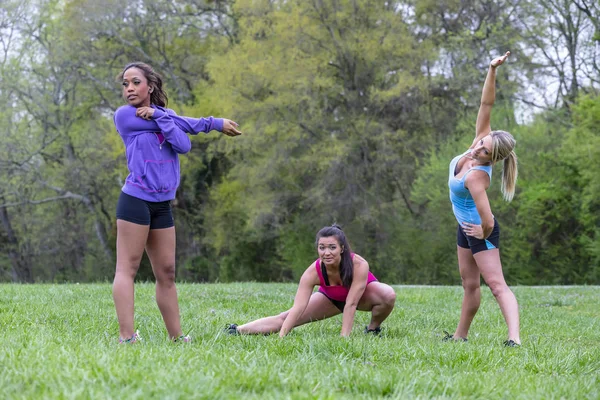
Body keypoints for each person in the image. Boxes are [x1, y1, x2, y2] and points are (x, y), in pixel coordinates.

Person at [112, 62, 242, 343]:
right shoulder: (124, 116)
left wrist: (161, 115)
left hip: (162, 204)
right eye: (125, 84)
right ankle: (126, 338)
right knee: (127, 269)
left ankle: (176, 337)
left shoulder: (162, 116)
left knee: (167, 272)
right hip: (135, 199)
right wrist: (212, 123)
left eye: (135, 82)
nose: (129, 89)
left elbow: (183, 143)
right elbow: (183, 125)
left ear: (151, 86)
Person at [446, 51, 520, 346]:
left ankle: (514, 340)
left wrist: (483, 232)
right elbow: (486, 103)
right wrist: (492, 69)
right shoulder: (479, 142)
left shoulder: (478, 176)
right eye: (481, 143)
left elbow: (487, 217)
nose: (477, 149)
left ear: (493, 158)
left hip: (480, 229)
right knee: (469, 284)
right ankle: (459, 336)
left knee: (497, 285)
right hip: (465, 228)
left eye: (484, 150)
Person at [226, 225, 396, 337]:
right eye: (322, 248)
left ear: (342, 248)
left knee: (387, 294)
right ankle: (238, 329)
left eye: (332, 247)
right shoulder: (312, 272)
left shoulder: (359, 264)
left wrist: (344, 340)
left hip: (361, 298)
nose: (327, 253)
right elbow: (298, 307)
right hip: (331, 299)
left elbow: (351, 304)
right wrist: (282, 337)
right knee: (284, 318)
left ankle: (373, 329)